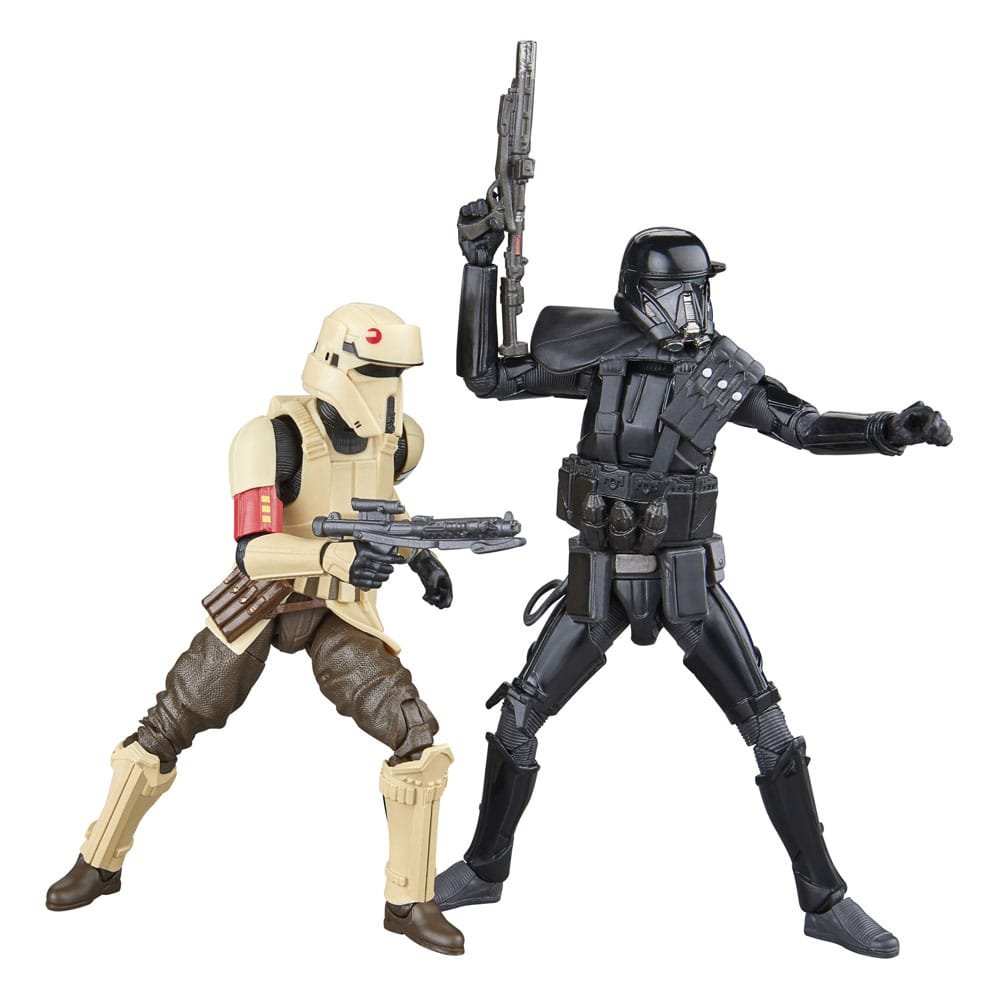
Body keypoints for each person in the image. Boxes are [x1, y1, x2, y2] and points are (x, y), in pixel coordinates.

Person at [434, 210, 952, 959]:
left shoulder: (719, 372)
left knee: (769, 729)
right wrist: (478, 268)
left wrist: (885, 430)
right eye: (682, 295)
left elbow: (802, 426)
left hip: (684, 580)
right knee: (519, 717)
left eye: (700, 294)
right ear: (639, 297)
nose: (695, 310)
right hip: (600, 576)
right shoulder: (598, 355)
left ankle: (825, 900)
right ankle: (486, 869)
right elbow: (487, 376)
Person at [47, 303, 465, 956]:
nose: (387, 388)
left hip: (339, 610)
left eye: (397, 373)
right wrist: (334, 556)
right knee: (168, 724)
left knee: (417, 739)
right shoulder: (271, 439)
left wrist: (420, 558)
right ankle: (98, 862)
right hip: (263, 601)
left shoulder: (401, 439)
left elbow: (382, 507)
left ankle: (410, 901)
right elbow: (253, 549)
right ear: (336, 364)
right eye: (375, 370)